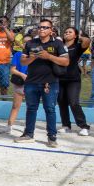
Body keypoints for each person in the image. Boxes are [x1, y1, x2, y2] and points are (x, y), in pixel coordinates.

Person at [13, 19, 68, 147]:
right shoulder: (31, 43)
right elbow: (23, 62)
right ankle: (28, 134)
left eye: (45, 27)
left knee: (50, 109)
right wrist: (33, 57)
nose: (42, 29)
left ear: (51, 30)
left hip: (50, 82)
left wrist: (49, 56)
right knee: (31, 108)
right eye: (40, 27)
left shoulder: (58, 43)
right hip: (32, 81)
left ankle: (52, 137)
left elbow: (66, 62)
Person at [58, 26, 91, 136]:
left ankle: (84, 126)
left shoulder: (77, 46)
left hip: (73, 79)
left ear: (75, 35)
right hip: (59, 78)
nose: (67, 33)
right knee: (62, 102)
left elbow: (87, 41)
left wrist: (79, 37)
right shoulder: (59, 46)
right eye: (65, 32)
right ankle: (66, 125)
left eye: (70, 32)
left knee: (74, 102)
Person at [1, 34, 31, 134]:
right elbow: (12, 70)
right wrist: (22, 75)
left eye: (29, 42)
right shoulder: (18, 54)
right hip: (20, 83)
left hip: (31, 84)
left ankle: (29, 128)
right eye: (24, 42)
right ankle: (9, 126)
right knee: (15, 106)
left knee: (30, 107)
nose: (26, 44)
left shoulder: (36, 56)